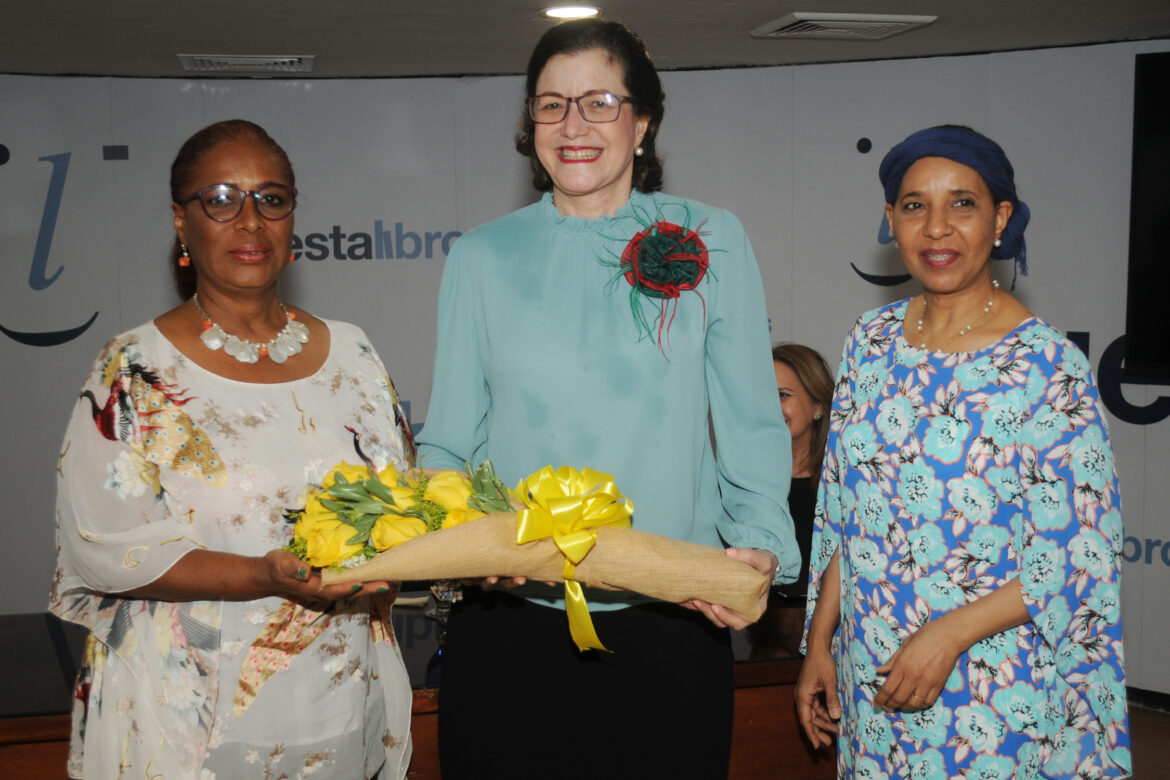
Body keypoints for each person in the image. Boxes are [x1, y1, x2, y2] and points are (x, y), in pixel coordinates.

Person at [417, 18, 797, 779]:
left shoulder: (712, 239)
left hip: (672, 621)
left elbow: (753, 421)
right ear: (531, 124)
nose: (574, 125)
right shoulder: (481, 257)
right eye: (551, 105)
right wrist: (457, 540)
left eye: (599, 101)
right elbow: (450, 440)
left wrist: (760, 546)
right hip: (510, 624)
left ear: (644, 119)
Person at [50, 119, 416, 779]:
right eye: (221, 199)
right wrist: (263, 575)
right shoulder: (133, 369)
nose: (250, 220)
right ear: (180, 222)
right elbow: (101, 550)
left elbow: (400, 506)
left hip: (342, 701)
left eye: (271, 199)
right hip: (184, 718)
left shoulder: (355, 352)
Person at [796, 125, 1131, 778]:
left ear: (1001, 218)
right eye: (915, 205)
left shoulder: (1045, 366)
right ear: (891, 220)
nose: (937, 227)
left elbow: (1077, 552)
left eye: (963, 203)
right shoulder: (869, 339)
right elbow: (847, 514)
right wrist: (820, 643)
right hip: (874, 675)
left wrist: (947, 635)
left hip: (990, 683)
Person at [746, 343, 833, 658]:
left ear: (818, 407)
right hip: (763, 659)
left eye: (782, 395)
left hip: (837, 651)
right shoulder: (741, 486)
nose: (771, 407)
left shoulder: (843, 488)